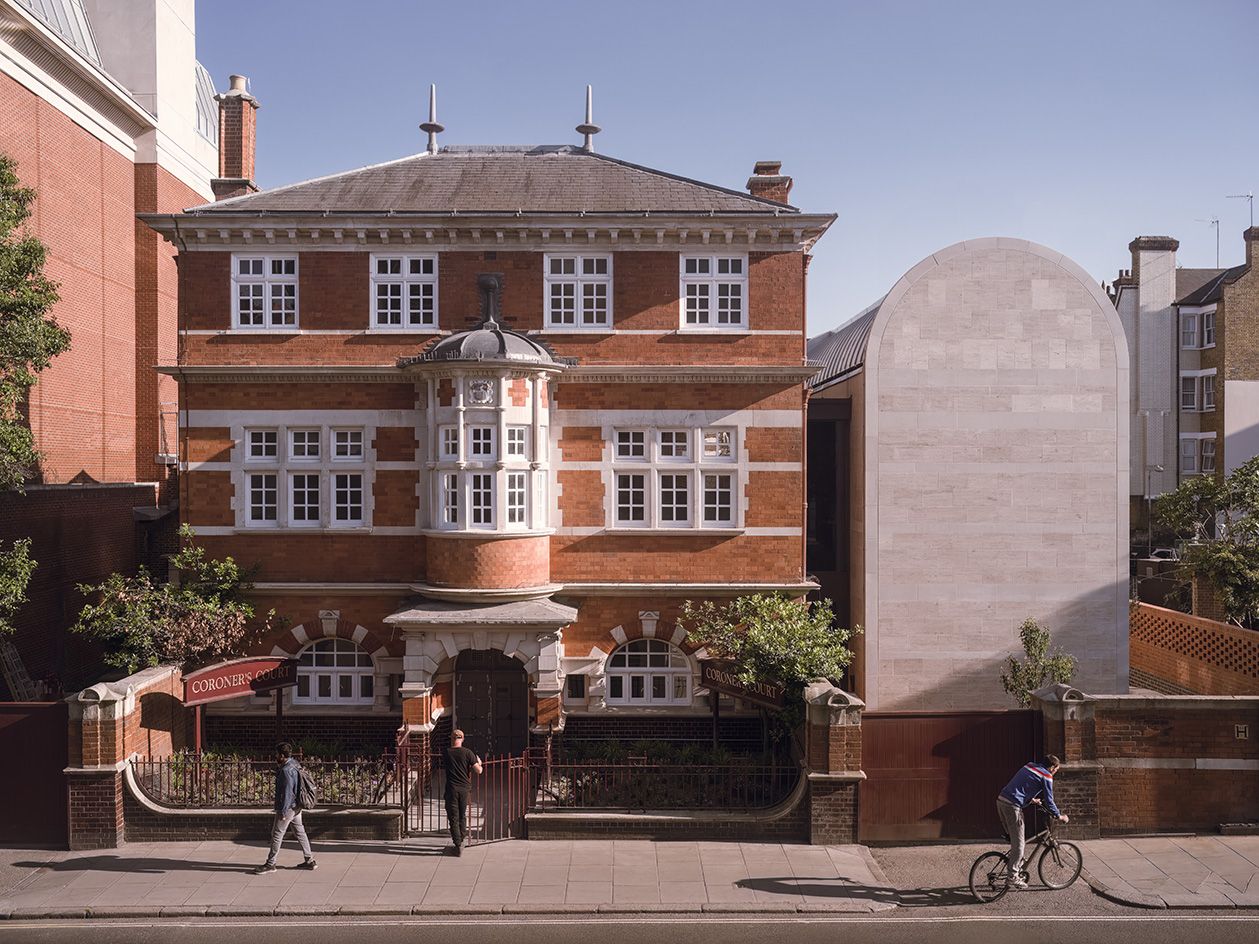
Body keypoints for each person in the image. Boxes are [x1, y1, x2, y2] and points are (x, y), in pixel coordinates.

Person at [997, 754, 1069, 889]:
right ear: (1053, 767)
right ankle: (1012, 877)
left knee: (1015, 841)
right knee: (1019, 845)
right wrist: (1059, 816)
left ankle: (1017, 862)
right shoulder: (1047, 776)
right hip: (1012, 807)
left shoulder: (1029, 765)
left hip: (1001, 801)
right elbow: (1049, 800)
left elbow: (1020, 786)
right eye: (1056, 769)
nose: (1055, 772)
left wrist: (1031, 800)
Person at [255, 742, 318, 874]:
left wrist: (283, 811)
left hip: (288, 807)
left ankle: (271, 864)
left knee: (277, 834)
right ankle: (309, 860)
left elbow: (288, 792)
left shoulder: (286, 771)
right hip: (296, 806)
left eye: (277, 754)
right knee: (300, 832)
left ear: (282, 756)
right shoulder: (294, 764)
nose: (275, 756)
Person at [443, 729, 483, 856]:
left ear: (451, 738)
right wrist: (479, 763)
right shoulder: (468, 753)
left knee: (453, 817)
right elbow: (478, 771)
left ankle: (458, 844)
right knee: (462, 815)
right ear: (463, 739)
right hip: (464, 789)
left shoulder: (447, 753)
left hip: (451, 789)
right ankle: (462, 838)